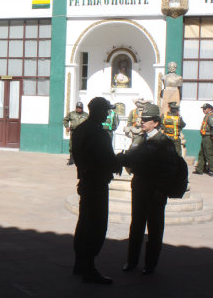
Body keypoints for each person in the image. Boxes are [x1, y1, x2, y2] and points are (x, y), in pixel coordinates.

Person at [116, 103, 177, 275]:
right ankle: (131, 261)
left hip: (155, 190)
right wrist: (120, 159)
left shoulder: (165, 143)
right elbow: (132, 159)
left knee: (155, 229)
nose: (142, 122)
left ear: (156, 122)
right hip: (139, 187)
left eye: (146, 119)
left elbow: (170, 170)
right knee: (136, 226)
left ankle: (150, 265)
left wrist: (161, 190)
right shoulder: (140, 139)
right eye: (142, 119)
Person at [71, 97, 121, 285]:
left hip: (85, 180)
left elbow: (79, 156)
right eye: (106, 110)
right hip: (96, 182)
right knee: (96, 225)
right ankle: (89, 268)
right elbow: (105, 158)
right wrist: (119, 162)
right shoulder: (97, 133)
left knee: (84, 223)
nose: (108, 114)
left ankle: (80, 263)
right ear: (98, 111)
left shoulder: (81, 129)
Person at [194, 103, 213, 177]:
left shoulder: (211, 116)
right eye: (203, 108)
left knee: (209, 154)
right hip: (205, 137)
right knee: (202, 154)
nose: (203, 110)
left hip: (209, 137)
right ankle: (200, 169)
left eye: (205, 108)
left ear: (210, 109)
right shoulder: (207, 116)